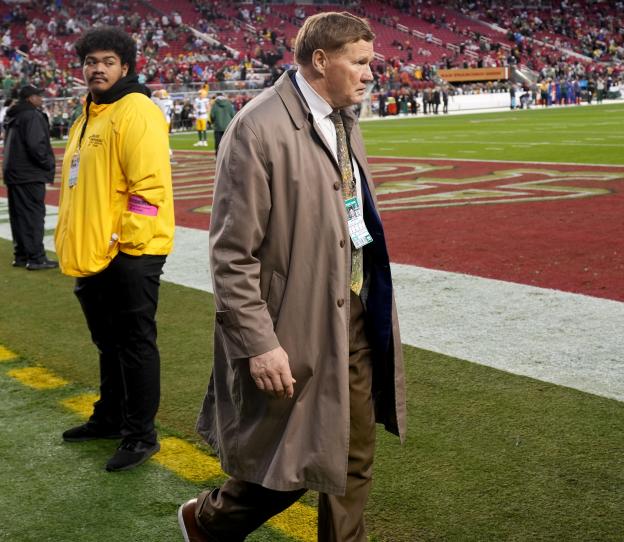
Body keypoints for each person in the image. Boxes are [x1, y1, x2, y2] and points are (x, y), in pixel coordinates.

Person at [178, 12, 406, 542]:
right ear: (321, 61)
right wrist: (259, 343)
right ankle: (208, 520)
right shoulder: (256, 128)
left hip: (351, 312)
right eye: (361, 62)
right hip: (289, 323)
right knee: (291, 464)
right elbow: (233, 254)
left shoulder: (344, 117)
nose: (371, 74)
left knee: (352, 456)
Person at [54, 26, 174, 472]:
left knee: (134, 344)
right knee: (108, 343)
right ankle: (109, 418)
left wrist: (129, 247)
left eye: (107, 62)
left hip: (128, 253)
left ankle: (140, 434)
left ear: (125, 67)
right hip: (93, 253)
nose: (97, 69)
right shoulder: (88, 115)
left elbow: (149, 187)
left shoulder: (136, 110)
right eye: (90, 62)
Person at [2, 85, 57, 270]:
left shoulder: (14, 114)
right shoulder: (32, 115)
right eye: (38, 95)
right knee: (33, 216)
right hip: (29, 173)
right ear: (30, 98)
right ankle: (36, 258)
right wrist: (47, 164)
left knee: (18, 215)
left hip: (15, 172)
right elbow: (36, 146)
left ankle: (21, 255)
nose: (41, 99)